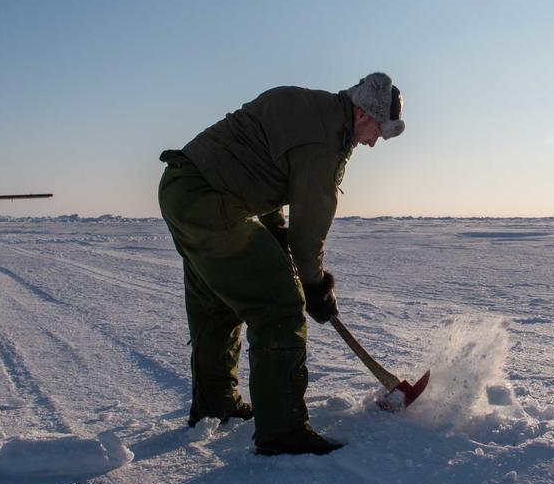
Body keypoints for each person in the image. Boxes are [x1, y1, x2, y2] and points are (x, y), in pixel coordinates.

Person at [158, 73, 405, 456]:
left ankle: (216, 405)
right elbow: (310, 229)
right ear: (362, 114)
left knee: (217, 302)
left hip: (182, 189)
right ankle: (282, 431)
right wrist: (314, 286)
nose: (373, 142)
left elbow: (261, 169)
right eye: (377, 132)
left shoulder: (310, 108)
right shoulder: (324, 140)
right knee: (280, 306)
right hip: (211, 202)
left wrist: (274, 230)